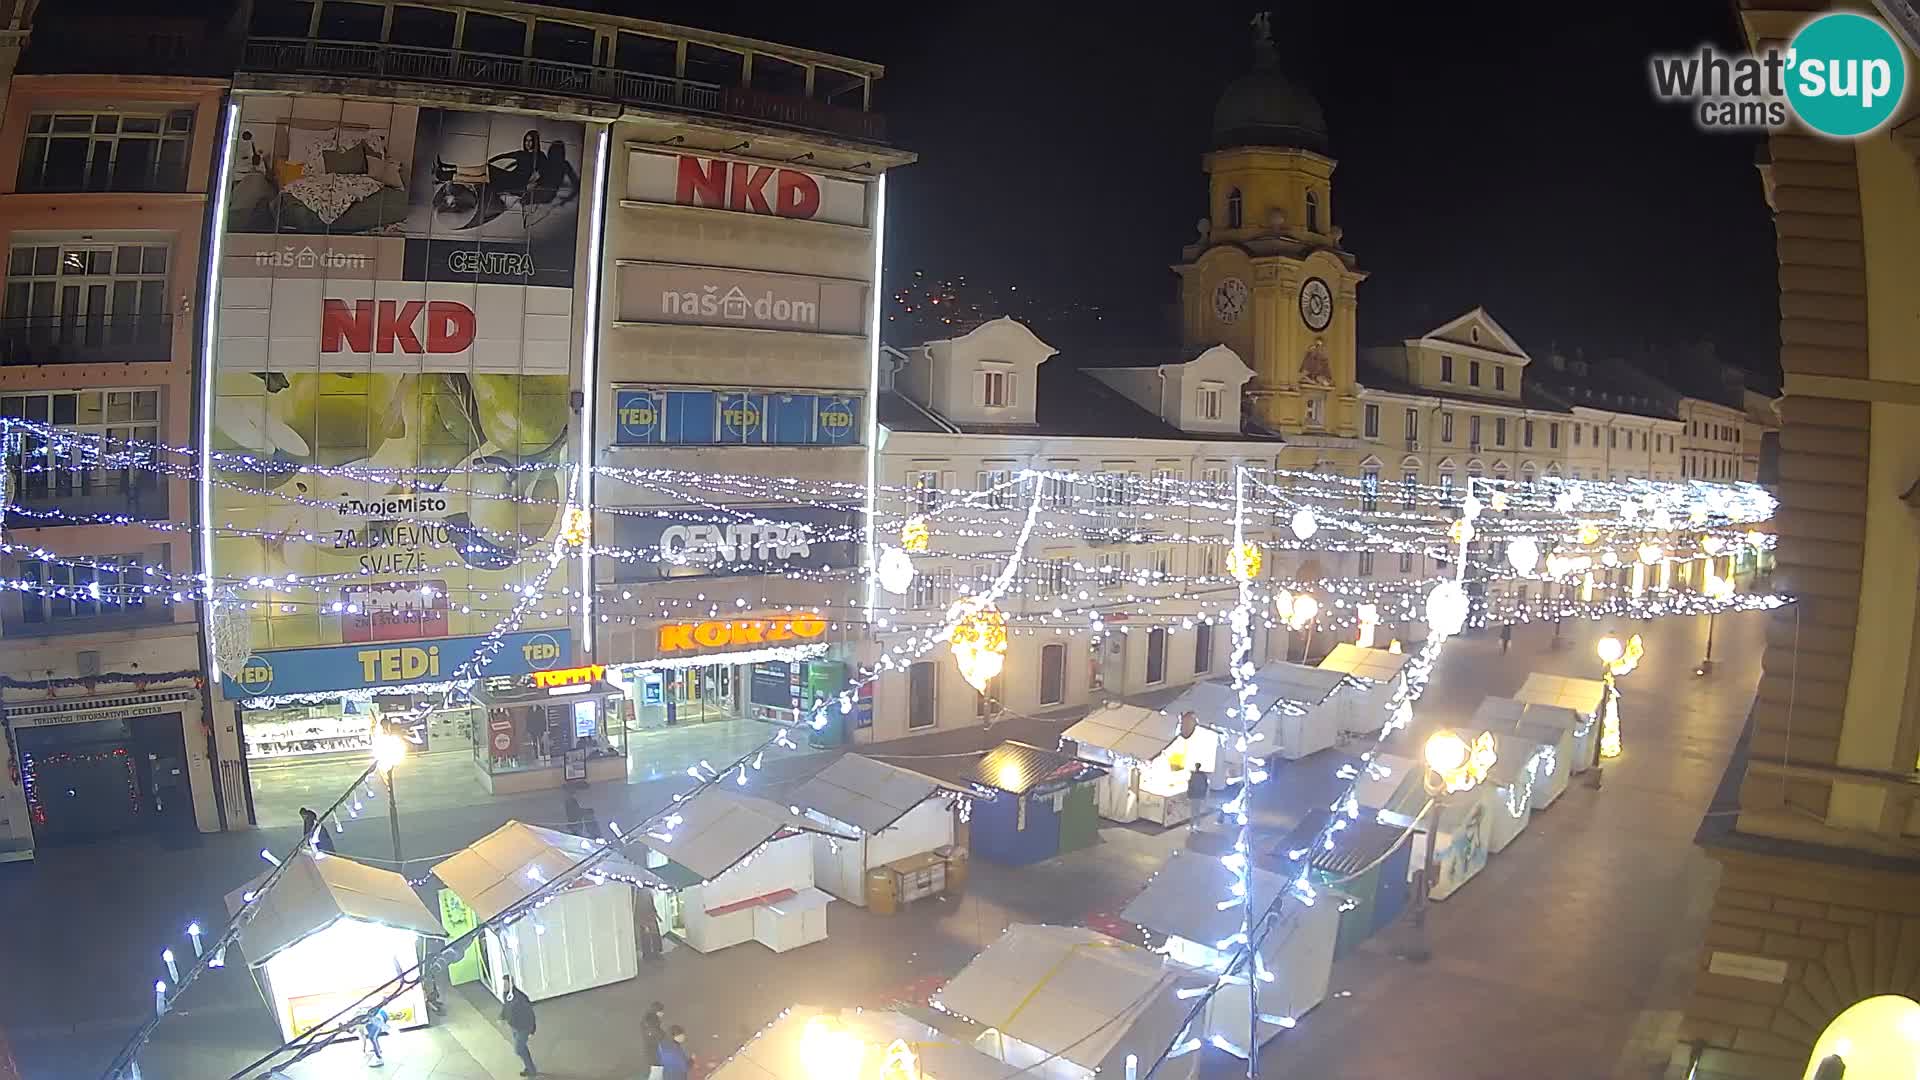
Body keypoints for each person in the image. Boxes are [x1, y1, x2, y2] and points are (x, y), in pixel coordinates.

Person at [500, 976, 538, 1076]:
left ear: (511, 984)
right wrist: (502, 1017)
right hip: (514, 1026)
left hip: (524, 1028)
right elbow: (506, 1006)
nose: (503, 986)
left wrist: (532, 1029)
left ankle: (531, 1070)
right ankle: (530, 1068)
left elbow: (530, 1014)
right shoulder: (507, 994)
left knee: (519, 1049)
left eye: (506, 984)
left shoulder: (521, 998)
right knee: (522, 1048)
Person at [635, 889, 664, 963]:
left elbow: (652, 906)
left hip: (650, 917)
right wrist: (643, 924)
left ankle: (654, 953)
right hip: (645, 917)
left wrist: (657, 916)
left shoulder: (646, 892)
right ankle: (648, 955)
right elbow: (639, 909)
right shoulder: (639, 894)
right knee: (646, 937)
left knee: (654, 935)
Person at [640, 1003, 667, 1080]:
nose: (663, 1013)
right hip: (655, 1055)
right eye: (661, 1011)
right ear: (656, 1011)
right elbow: (660, 1037)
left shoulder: (648, 1023)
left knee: (657, 1073)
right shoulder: (653, 1025)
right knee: (657, 1073)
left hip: (653, 1055)